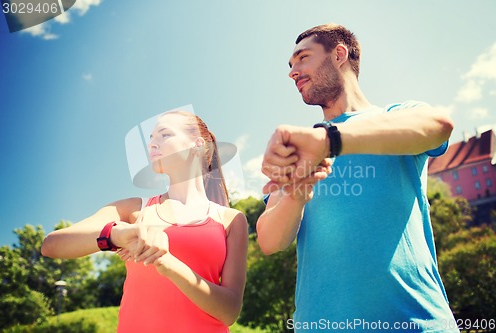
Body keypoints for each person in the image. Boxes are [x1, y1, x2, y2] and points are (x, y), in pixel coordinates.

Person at [257, 24, 459, 332]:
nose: (292, 71)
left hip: (416, 324)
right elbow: (270, 241)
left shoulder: (397, 117)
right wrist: (297, 193)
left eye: (302, 58)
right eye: (290, 65)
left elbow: (438, 125)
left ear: (339, 54)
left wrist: (330, 140)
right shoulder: (297, 150)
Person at [41, 110, 248, 333]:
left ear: (197, 144)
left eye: (164, 135)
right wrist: (115, 234)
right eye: (150, 139)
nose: (152, 145)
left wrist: (166, 262)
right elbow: (51, 245)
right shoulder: (134, 210)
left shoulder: (231, 220)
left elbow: (229, 312)